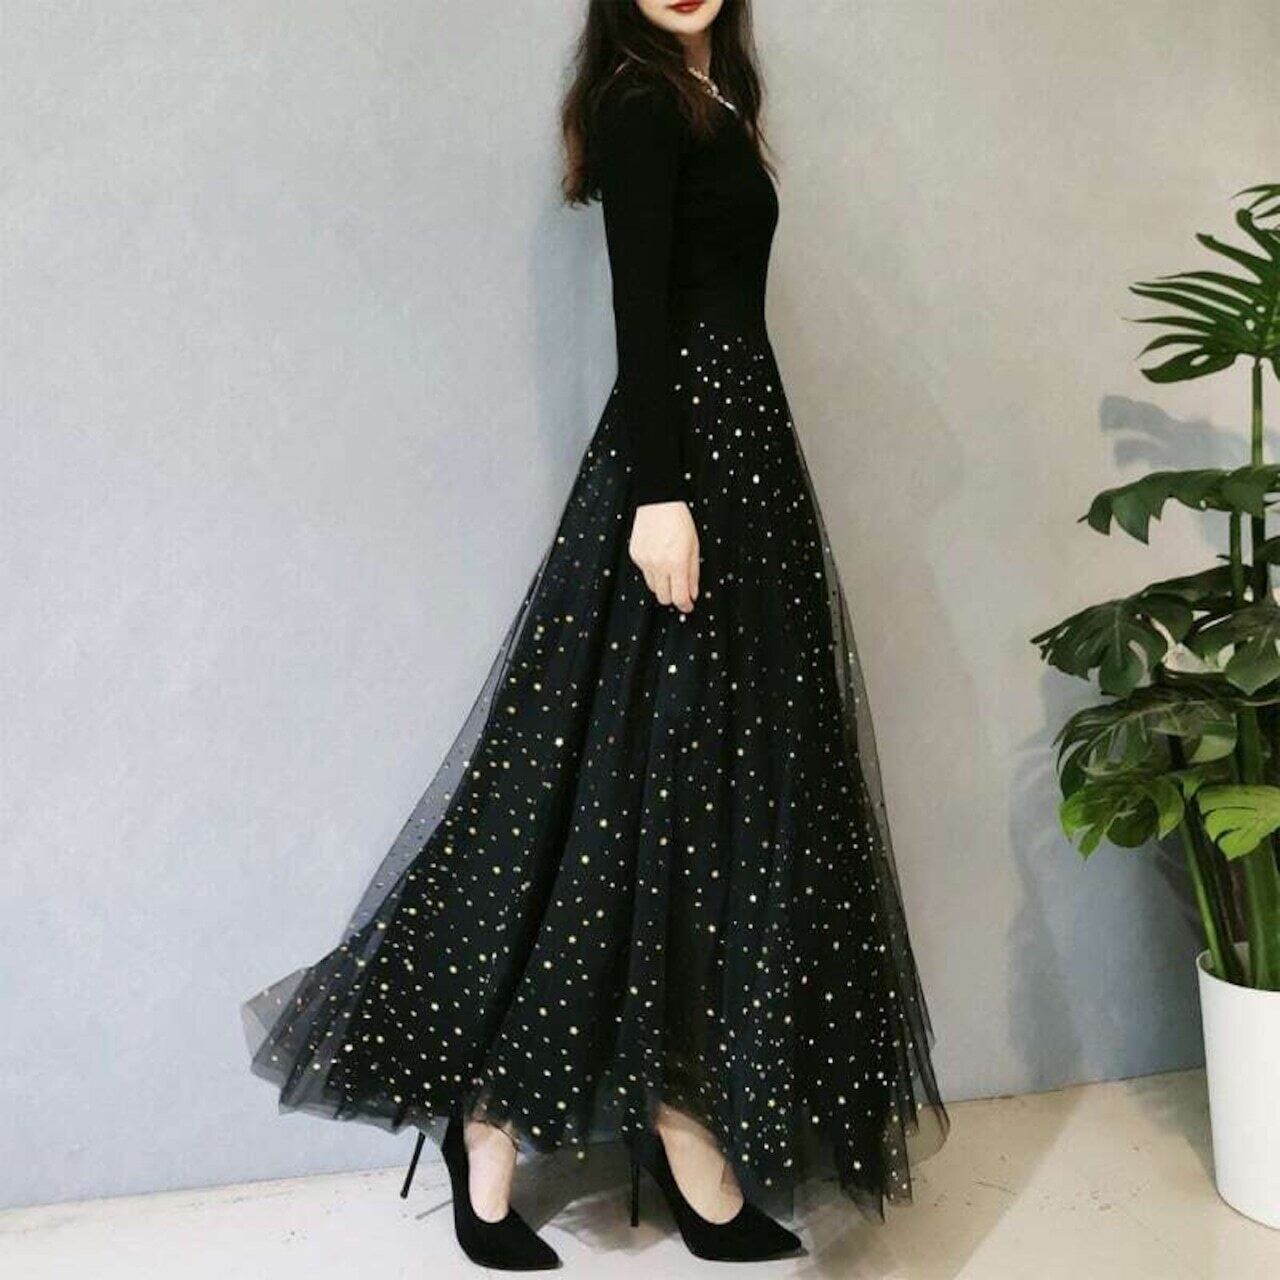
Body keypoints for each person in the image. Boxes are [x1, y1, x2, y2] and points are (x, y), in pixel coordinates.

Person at [242, 0, 948, 1269]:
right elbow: (641, 304)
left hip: (743, 454)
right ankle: (513, 1121)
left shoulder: (715, 97)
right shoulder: (638, 102)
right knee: (621, 788)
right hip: (686, 471)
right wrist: (660, 497)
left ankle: (672, 1118)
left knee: (710, 791)